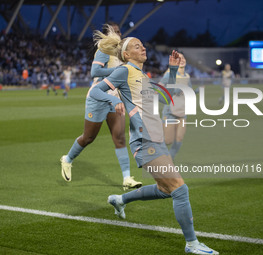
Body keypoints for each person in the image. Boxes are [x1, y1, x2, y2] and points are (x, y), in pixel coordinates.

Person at [89, 26, 219, 254]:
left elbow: (161, 94)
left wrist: (173, 69)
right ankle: (191, 243)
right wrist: (113, 103)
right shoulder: (123, 71)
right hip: (144, 139)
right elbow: (95, 92)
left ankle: (120, 199)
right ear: (126, 54)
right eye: (137, 46)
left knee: (165, 189)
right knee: (179, 189)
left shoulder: (141, 75)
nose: (143, 48)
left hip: (153, 136)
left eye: (143, 45)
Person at [60, 22, 142, 190]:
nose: (119, 34)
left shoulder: (121, 53)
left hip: (115, 98)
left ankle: (127, 178)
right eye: (115, 32)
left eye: (119, 31)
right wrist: (117, 73)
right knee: (88, 138)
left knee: (119, 138)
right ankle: (67, 159)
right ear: (108, 34)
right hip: (98, 97)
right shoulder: (104, 51)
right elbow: (94, 73)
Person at [161, 52, 191, 161]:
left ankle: (170, 160)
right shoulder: (170, 74)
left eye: (183, 58)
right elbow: (160, 87)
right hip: (170, 112)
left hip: (182, 111)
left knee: (179, 139)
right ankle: (154, 153)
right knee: (168, 141)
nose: (182, 60)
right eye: (179, 58)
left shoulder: (187, 76)